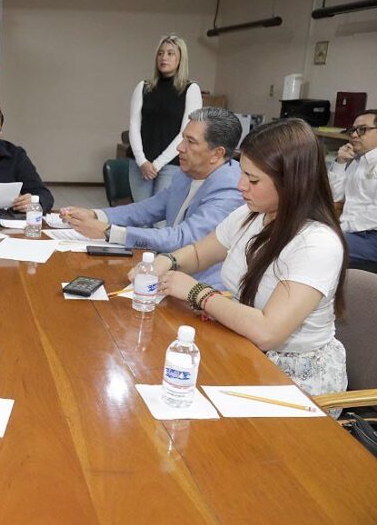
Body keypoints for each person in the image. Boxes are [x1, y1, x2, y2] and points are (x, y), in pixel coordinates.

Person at [146, 118, 348, 398]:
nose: (241, 186)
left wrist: (197, 292)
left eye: (253, 179)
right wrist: (165, 262)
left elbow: (268, 331)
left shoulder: (317, 243)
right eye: (242, 173)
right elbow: (197, 253)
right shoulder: (250, 215)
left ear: (291, 182)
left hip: (293, 378)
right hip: (243, 347)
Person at [61, 107, 244, 288]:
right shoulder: (186, 174)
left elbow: (183, 238)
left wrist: (109, 231)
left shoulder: (231, 188)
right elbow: (147, 209)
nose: (180, 148)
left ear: (217, 154)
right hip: (164, 271)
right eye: (183, 139)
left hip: (202, 286)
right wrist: (96, 215)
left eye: (191, 141)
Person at [128, 34, 202, 202]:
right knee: (139, 216)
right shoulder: (143, 87)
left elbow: (186, 132)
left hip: (171, 163)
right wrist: (142, 161)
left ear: (180, 58)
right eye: (160, 53)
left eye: (170, 53)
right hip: (140, 162)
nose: (164, 58)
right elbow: (134, 125)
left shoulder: (191, 89)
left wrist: (157, 164)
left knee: (160, 220)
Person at [328, 109, 377, 269]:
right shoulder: (358, 161)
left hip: (370, 236)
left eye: (362, 129)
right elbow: (334, 197)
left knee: (322, 249)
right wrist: (340, 163)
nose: (354, 135)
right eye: (353, 130)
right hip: (351, 232)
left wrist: (341, 231)